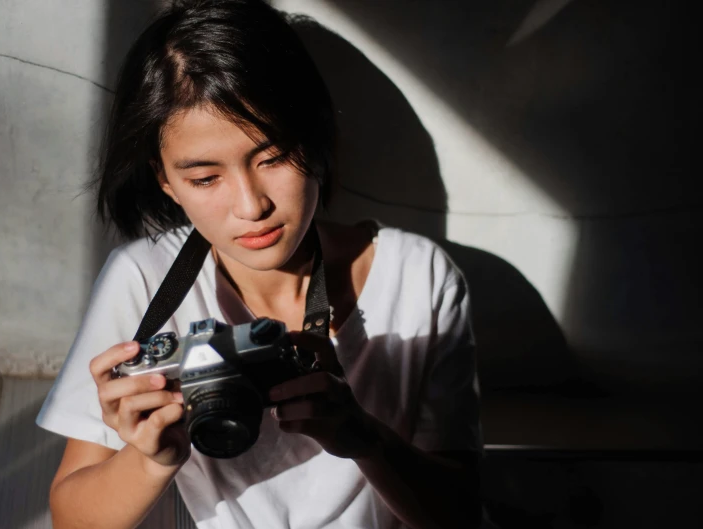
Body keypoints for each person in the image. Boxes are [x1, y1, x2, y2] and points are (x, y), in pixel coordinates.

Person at [36, 1, 483, 527]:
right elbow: (72, 518)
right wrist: (151, 460)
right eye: (205, 179)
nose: (251, 207)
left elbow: (461, 513)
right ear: (164, 179)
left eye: (272, 158)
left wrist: (364, 438)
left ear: (315, 139)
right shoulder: (144, 277)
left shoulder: (420, 278)